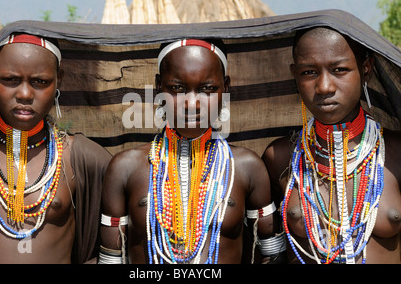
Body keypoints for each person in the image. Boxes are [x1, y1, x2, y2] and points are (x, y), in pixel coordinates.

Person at [99, 38, 285, 264]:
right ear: (159, 87)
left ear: (225, 88)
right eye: (177, 88)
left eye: (207, 89)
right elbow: (110, 259)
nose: (192, 103)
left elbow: (272, 254)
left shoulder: (247, 166)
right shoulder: (125, 167)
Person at [0, 33, 112, 263]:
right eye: (9, 79)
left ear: (59, 80)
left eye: (40, 82)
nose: (25, 94)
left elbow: (118, 243)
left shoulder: (79, 157)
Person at [262, 27, 401, 264]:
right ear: (295, 75)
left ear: (365, 69)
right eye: (309, 72)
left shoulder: (396, 152)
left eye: (339, 70)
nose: (324, 86)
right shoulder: (280, 157)